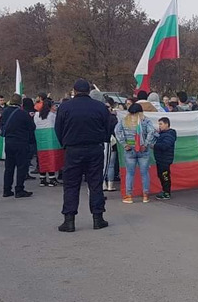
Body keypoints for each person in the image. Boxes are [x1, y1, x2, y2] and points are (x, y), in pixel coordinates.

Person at [55, 79, 111, 232]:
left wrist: (66, 144)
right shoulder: (100, 107)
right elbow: (108, 128)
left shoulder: (65, 107)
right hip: (94, 148)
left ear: (74, 90)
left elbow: (58, 129)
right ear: (88, 91)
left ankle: (69, 220)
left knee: (71, 185)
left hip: (73, 149)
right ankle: (98, 218)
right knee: (95, 184)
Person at [115, 103, 158, 204]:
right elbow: (151, 132)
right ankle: (145, 196)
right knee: (144, 173)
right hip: (143, 149)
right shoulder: (145, 120)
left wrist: (124, 144)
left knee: (130, 173)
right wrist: (146, 144)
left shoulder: (124, 120)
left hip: (129, 149)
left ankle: (129, 196)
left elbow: (117, 131)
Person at [0, 95, 35, 198]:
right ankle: (19, 189)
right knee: (21, 167)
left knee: (9, 167)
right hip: (21, 142)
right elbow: (32, 127)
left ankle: (6, 190)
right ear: (21, 103)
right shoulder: (23, 113)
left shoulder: (5, 112)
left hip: (9, 142)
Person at [34, 98, 64, 187]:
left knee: (42, 158)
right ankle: (52, 178)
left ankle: (42, 178)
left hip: (40, 139)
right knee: (52, 158)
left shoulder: (37, 115)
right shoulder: (52, 115)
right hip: (51, 139)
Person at [153, 117, 176, 200]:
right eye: (159, 124)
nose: (159, 126)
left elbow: (165, 146)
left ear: (166, 124)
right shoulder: (162, 134)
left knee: (165, 176)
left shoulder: (169, 134)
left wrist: (154, 146)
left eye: (161, 124)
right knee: (161, 175)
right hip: (160, 159)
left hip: (165, 160)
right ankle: (164, 190)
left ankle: (167, 193)